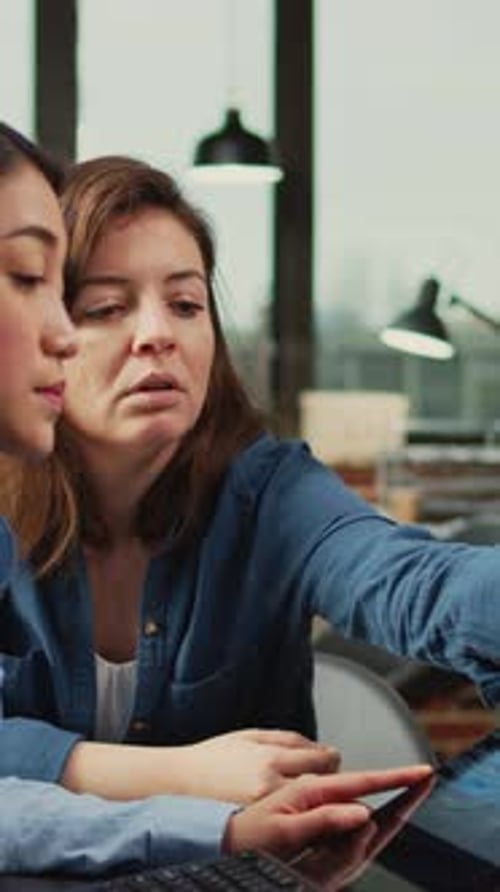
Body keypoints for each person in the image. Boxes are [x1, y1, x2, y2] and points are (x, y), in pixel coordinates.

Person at [0, 123, 434, 875]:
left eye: (187, 304)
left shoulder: (271, 489)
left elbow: (407, 581)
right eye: (106, 308)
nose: (156, 336)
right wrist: (186, 775)